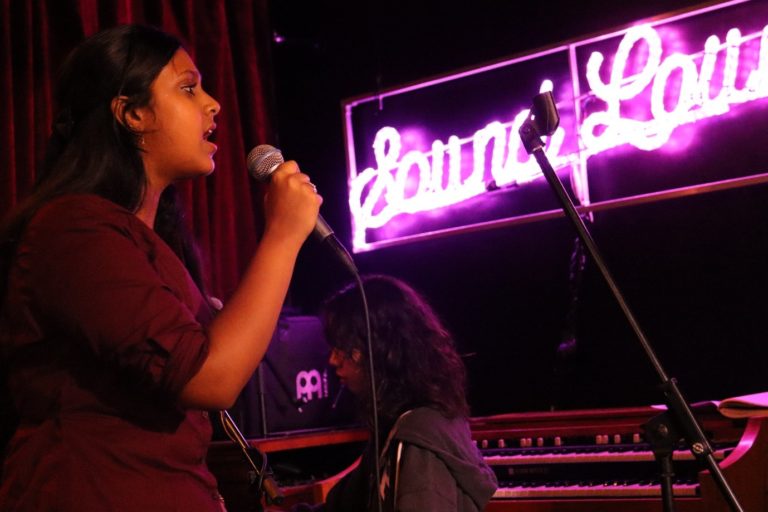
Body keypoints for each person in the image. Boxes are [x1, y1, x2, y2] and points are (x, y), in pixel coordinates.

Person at [0, 24, 320, 511]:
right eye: (188, 88)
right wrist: (282, 235)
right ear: (131, 113)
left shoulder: (143, 243)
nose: (212, 104)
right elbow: (211, 378)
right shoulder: (73, 230)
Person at [313, 275, 498, 512]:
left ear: (378, 349)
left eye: (342, 347)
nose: (333, 360)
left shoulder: (420, 442)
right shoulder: (394, 428)